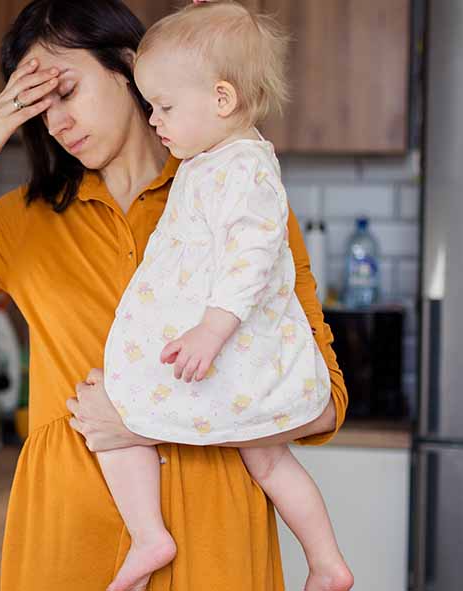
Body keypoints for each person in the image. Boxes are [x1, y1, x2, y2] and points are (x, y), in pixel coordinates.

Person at [0, 1, 349, 589]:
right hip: (68, 539)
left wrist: (148, 421)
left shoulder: (243, 204)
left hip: (219, 542)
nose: (55, 121)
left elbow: (322, 403)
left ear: (129, 67)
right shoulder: (24, 224)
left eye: (66, 89)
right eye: (36, 106)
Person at [94, 3, 352, 590]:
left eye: (164, 106)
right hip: (213, 346)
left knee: (114, 409)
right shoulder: (207, 160)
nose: (153, 119)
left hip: (228, 346)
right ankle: (320, 562)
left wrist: (211, 329)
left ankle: (321, 560)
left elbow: (253, 255)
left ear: (221, 100)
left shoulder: (246, 167)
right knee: (259, 456)